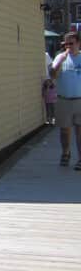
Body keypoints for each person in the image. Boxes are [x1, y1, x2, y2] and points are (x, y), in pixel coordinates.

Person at [49, 30, 81, 168]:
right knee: (65, 130)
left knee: (80, 131)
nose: (68, 47)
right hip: (64, 100)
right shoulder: (60, 57)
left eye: (71, 43)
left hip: (80, 100)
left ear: (78, 43)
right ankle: (66, 153)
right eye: (66, 44)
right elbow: (53, 76)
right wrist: (59, 62)